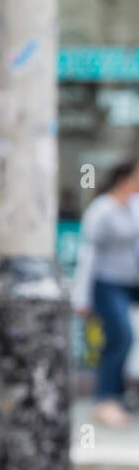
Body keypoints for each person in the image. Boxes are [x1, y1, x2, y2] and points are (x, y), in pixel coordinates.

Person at [72, 158, 139, 428]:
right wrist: (81, 295)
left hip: (131, 283)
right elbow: (88, 254)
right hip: (106, 284)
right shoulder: (102, 209)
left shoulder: (134, 208)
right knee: (120, 335)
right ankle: (105, 398)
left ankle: (122, 396)